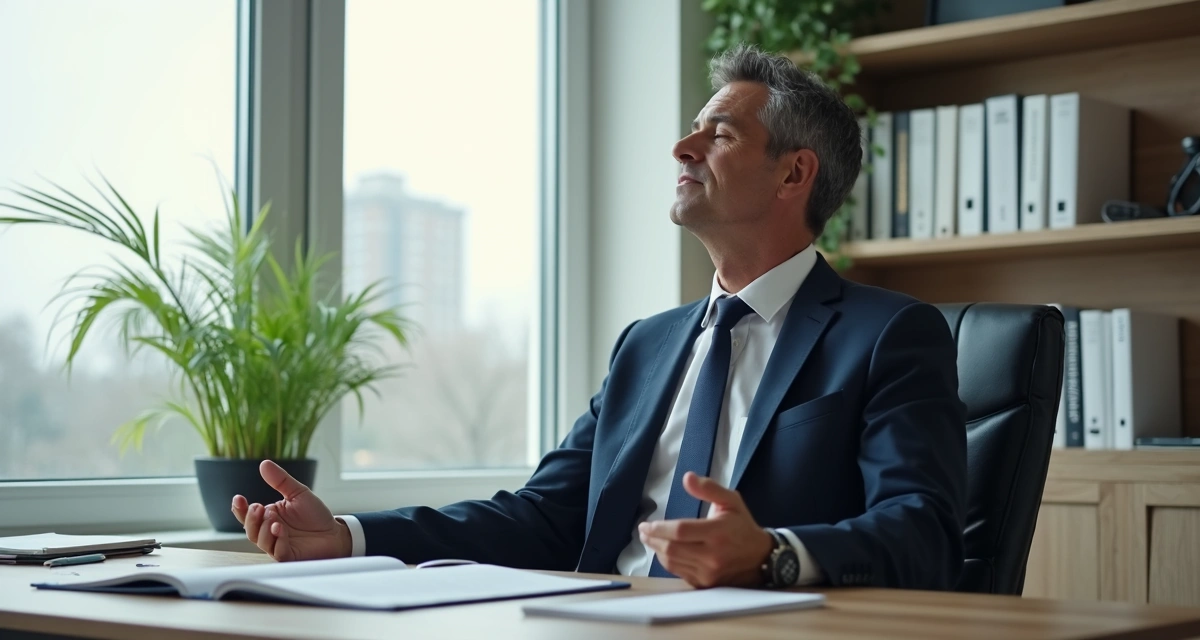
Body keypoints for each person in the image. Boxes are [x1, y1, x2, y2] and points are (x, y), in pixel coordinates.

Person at [232, 44, 967, 590]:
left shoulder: (887, 335)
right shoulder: (647, 345)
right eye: (693, 129)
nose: (682, 148)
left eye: (719, 135)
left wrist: (771, 552)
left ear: (794, 173)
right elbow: (543, 516)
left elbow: (924, 532)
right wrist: (348, 536)